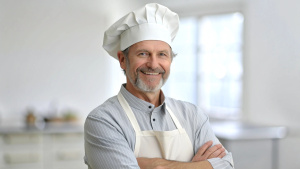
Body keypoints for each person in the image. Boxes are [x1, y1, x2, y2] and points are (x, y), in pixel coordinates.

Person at [84, 3, 234, 169]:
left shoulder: (192, 116)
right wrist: (198, 166)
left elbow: (226, 165)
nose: (153, 64)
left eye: (162, 54)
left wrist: (156, 165)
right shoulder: (104, 120)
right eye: (143, 53)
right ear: (122, 60)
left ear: (170, 60)